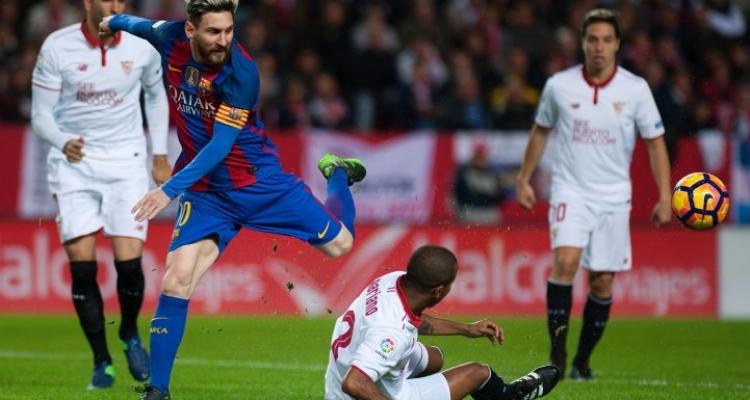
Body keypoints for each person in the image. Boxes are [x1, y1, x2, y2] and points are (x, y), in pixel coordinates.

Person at [98, 1, 366, 398]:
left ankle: (337, 173)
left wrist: (167, 190)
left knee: (341, 245)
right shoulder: (168, 37)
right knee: (176, 279)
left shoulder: (241, 73)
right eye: (213, 31)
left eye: (228, 30)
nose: (223, 40)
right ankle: (157, 390)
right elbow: (138, 24)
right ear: (190, 30)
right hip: (207, 192)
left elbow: (220, 147)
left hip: (259, 184)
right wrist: (111, 21)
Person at [515, 9, 672, 380]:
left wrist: (665, 196)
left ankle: (581, 362)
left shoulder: (635, 89)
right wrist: (524, 178)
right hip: (570, 189)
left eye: (606, 40)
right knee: (566, 262)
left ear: (617, 44)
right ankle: (557, 352)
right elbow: (541, 130)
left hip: (614, 196)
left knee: (602, 282)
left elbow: (655, 143)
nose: (599, 47)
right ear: (583, 43)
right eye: (592, 40)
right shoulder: (559, 85)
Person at [30, 0, 170, 390]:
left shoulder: (142, 46)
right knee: (82, 269)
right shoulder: (57, 46)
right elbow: (40, 115)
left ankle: (128, 332)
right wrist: (62, 140)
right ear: (88, 3)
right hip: (73, 165)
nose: (113, 5)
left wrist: (160, 154)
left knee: (129, 265)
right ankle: (101, 361)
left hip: (127, 162)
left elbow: (156, 96)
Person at [325, 245, 561, 400]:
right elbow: (354, 383)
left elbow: (412, 320)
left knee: (434, 358)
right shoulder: (392, 334)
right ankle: (511, 394)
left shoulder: (392, 281)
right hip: (351, 391)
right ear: (438, 291)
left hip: (344, 366)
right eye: (450, 284)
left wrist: (467, 329)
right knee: (478, 373)